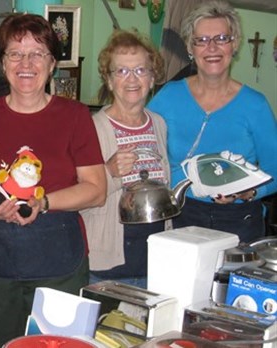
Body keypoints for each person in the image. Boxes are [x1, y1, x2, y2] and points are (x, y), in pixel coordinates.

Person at [0, 14, 107, 348]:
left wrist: (45, 202)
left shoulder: (75, 116)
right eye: (15, 54)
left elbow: (96, 190)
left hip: (60, 262)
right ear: (3, 62)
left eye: (37, 54)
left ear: (52, 64)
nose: (26, 63)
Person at [148, 0, 277, 243]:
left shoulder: (255, 105)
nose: (212, 48)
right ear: (190, 47)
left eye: (221, 38)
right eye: (202, 40)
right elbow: (143, 144)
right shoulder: (168, 97)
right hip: (179, 215)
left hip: (239, 219)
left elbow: (275, 167)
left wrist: (249, 192)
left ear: (234, 44)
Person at [82, 30, 168, 289]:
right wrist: (108, 172)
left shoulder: (159, 124)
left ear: (152, 78)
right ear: (109, 81)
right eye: (121, 71)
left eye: (141, 70)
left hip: (154, 259)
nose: (132, 79)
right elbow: (76, 203)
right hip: (109, 262)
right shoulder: (91, 129)